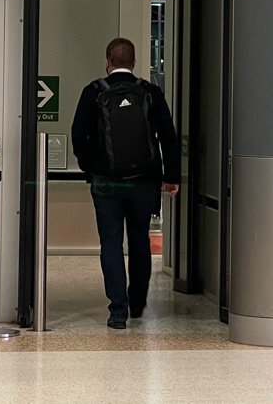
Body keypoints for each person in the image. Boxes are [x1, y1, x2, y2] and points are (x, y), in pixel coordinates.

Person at [71, 38, 180, 329]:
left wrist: (90, 169)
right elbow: (169, 137)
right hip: (144, 182)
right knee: (140, 241)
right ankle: (137, 304)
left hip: (106, 182)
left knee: (110, 243)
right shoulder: (150, 92)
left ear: (108, 62)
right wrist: (171, 177)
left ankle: (117, 311)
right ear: (133, 62)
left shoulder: (93, 92)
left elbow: (78, 135)